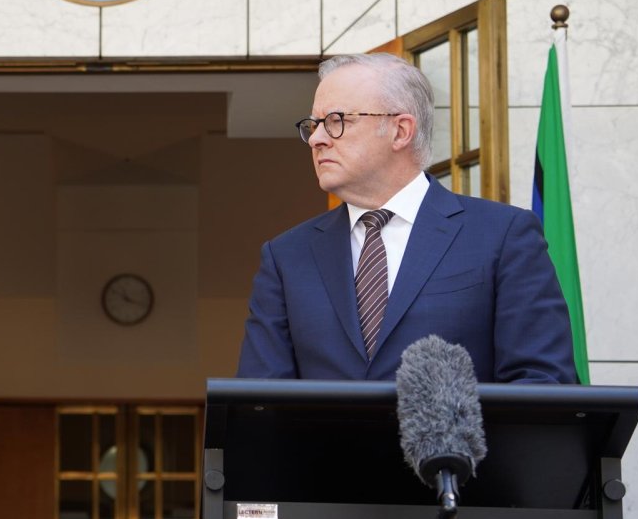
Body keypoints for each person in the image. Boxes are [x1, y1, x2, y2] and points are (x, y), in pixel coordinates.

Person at [236, 53, 576, 384]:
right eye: (313, 125)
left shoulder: (503, 236)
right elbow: (260, 400)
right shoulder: (287, 256)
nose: (316, 139)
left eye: (337, 121)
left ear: (400, 131)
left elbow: (542, 385)